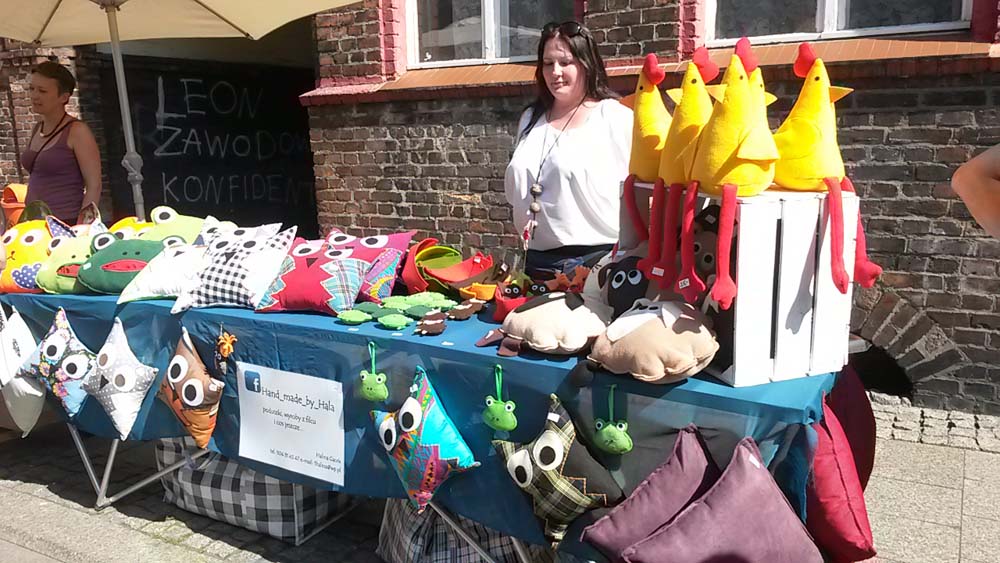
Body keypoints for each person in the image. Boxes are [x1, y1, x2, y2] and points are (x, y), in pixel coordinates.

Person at [504, 20, 632, 283]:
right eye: (548, 63)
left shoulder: (614, 117)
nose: (555, 72)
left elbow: (639, 193)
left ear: (586, 64)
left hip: (595, 265)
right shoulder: (530, 118)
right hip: (534, 264)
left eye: (565, 62)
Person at [19, 61, 102, 226]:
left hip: (65, 221)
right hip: (34, 223)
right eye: (32, 89)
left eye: (42, 91)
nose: (34, 95)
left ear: (63, 97)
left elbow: (94, 185)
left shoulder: (77, 131)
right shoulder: (37, 128)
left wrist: (82, 228)